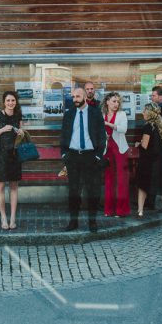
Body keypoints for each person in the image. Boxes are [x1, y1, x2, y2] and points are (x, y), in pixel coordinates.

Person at [59, 86, 106, 231]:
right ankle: (73, 222)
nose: (75, 99)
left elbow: (102, 136)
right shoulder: (69, 114)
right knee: (74, 191)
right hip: (73, 156)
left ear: (85, 96)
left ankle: (92, 222)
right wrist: (64, 154)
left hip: (90, 156)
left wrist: (98, 155)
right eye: (73, 97)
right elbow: (64, 135)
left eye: (78, 97)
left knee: (92, 191)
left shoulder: (95, 113)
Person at [135, 103, 162, 228]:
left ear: (149, 113)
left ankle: (140, 211)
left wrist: (138, 143)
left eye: (144, 110)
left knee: (142, 185)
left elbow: (145, 145)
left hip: (150, 163)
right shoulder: (161, 126)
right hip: (161, 162)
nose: (143, 112)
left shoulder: (148, 127)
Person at [0, 90, 24, 230]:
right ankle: (3, 217)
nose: (10, 103)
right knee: (1, 187)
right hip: (0, 155)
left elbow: (21, 137)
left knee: (14, 187)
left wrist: (21, 133)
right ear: (4, 102)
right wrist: (2, 130)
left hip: (14, 155)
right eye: (8, 100)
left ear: (16, 102)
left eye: (13, 100)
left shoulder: (18, 115)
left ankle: (13, 218)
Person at [101, 92, 130, 217]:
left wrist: (108, 124)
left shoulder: (122, 114)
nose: (116, 104)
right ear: (107, 101)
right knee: (109, 180)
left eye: (118, 102)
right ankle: (109, 210)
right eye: (114, 101)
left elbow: (123, 129)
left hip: (120, 150)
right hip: (107, 150)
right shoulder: (101, 115)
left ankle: (121, 210)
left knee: (121, 180)